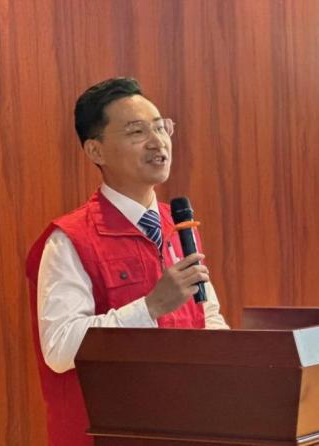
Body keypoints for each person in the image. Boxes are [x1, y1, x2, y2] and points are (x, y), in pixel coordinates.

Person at [26, 77, 228, 446]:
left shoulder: (178, 226)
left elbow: (206, 315)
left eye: (160, 127)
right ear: (96, 151)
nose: (157, 141)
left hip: (186, 427)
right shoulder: (70, 239)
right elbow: (59, 348)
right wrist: (150, 308)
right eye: (137, 131)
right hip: (109, 434)